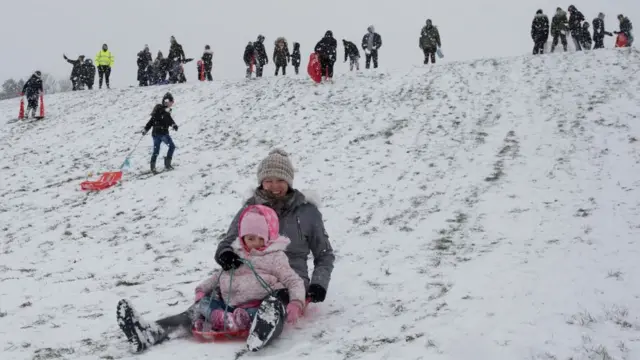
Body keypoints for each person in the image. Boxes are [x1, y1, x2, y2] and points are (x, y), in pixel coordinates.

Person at [116, 204, 306, 353]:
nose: (253, 243)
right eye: (248, 238)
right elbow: (219, 276)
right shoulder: (237, 254)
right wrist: (202, 289)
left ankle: (260, 332)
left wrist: (296, 303)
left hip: (257, 305)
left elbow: (293, 280)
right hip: (230, 305)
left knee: (272, 307)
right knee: (199, 308)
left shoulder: (275, 257)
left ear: (268, 237)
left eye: (258, 238)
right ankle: (150, 333)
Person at [141, 92, 178, 173]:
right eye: (171, 102)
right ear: (167, 101)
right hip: (162, 133)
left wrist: (145, 129)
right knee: (172, 146)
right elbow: (168, 120)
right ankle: (167, 164)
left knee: (156, 150)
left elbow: (151, 121)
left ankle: (153, 167)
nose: (172, 104)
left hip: (155, 134)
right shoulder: (164, 110)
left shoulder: (158, 110)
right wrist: (173, 125)